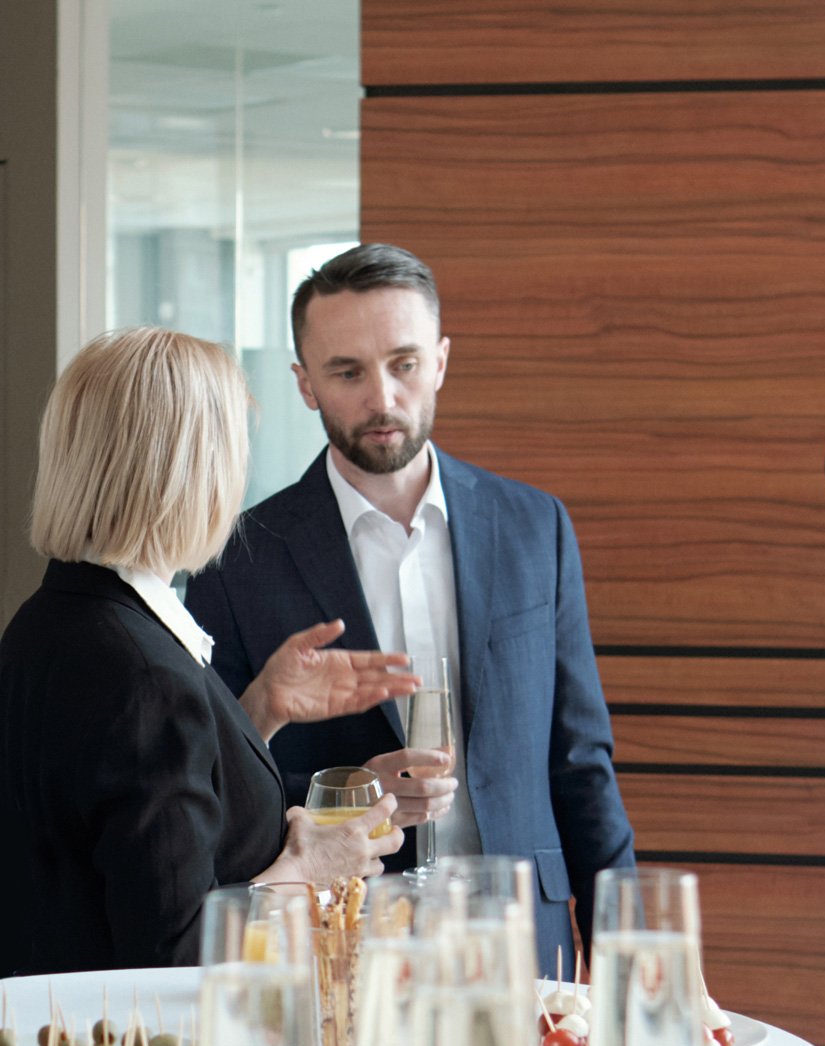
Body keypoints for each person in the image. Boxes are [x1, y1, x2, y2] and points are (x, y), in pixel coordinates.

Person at [185, 242, 635, 971]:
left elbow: (580, 762)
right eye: (347, 372)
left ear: (442, 361)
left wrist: (630, 949)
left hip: (522, 940)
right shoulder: (235, 558)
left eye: (404, 363)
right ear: (305, 384)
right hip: (341, 943)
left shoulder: (535, 527)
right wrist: (358, 792)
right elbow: (215, 791)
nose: (383, 398)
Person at [0, 327, 414, 976]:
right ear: (190, 471)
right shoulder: (141, 672)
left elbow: (134, 824)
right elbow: (177, 947)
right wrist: (310, 872)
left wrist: (255, 713)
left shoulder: (52, 620)